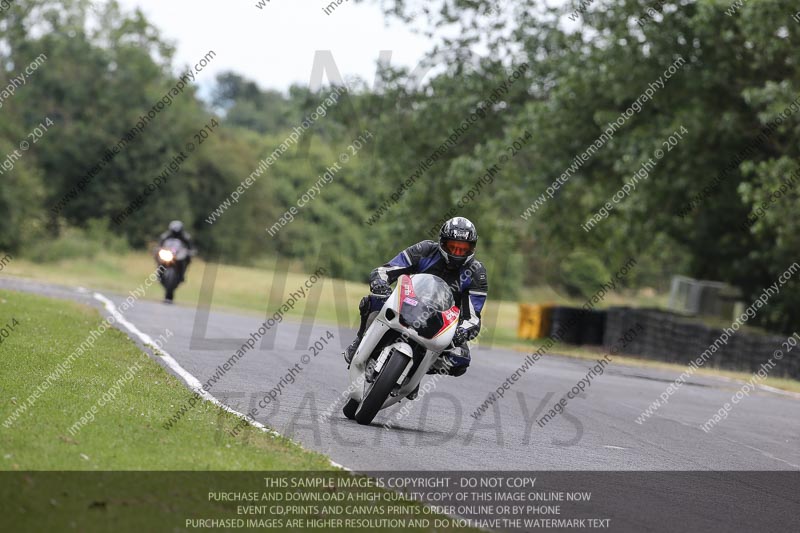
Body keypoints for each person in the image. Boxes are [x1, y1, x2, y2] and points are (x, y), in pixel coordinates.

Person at [343, 217, 488, 379]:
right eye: (452, 247)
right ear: (442, 242)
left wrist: (463, 331)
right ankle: (360, 341)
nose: (457, 253)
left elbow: (474, 318)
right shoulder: (425, 249)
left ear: (472, 248)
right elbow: (385, 270)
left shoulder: (476, 272)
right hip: (408, 303)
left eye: (463, 249)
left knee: (460, 359)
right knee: (372, 300)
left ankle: (415, 372)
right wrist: (379, 282)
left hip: (442, 322)